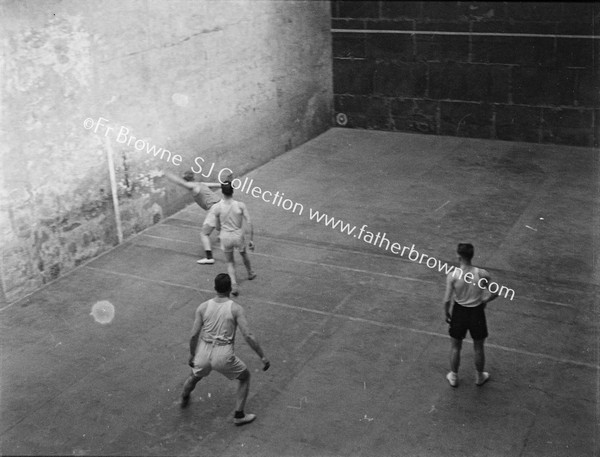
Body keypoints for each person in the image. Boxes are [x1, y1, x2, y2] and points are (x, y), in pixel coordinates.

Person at [180, 273, 270, 425]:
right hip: (223, 353)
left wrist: (191, 354)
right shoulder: (235, 309)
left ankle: (184, 395)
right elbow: (248, 335)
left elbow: (194, 335)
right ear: (229, 289)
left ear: (215, 288)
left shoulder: (203, 307)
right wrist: (262, 356)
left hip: (203, 351)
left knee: (194, 376)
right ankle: (239, 415)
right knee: (245, 377)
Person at [443, 243, 499, 387]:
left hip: (459, 312)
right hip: (476, 312)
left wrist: (447, 313)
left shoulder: (453, 275)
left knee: (456, 346)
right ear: (472, 256)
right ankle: (479, 377)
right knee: (479, 347)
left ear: (458, 256)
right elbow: (495, 292)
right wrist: (484, 300)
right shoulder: (481, 274)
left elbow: (447, 300)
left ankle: (454, 377)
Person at [164, 170, 229, 265]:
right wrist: (225, 185)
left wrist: (169, 176)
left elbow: (181, 183)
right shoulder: (200, 184)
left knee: (204, 234)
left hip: (215, 209)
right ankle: (223, 234)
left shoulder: (192, 186)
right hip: (222, 204)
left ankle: (209, 258)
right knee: (219, 222)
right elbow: (215, 184)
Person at [207, 180, 255, 296]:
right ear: (232, 191)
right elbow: (249, 222)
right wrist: (251, 239)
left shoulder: (217, 207)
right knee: (243, 254)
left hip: (225, 236)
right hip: (238, 235)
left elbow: (217, 227)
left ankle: (233, 284)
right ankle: (250, 273)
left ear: (222, 192)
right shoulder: (240, 205)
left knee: (229, 262)